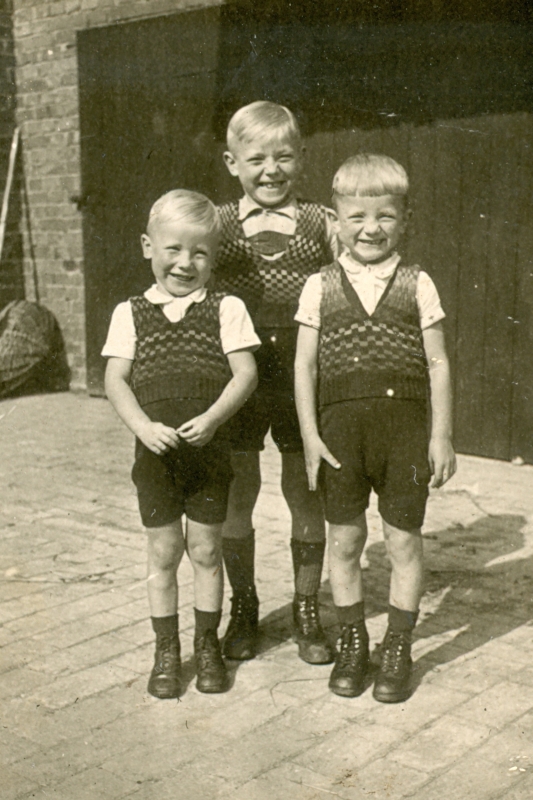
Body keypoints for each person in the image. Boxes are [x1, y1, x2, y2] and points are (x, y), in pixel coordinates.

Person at [294, 154, 456, 702]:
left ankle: (398, 646)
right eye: (357, 216)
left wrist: (440, 435)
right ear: (335, 221)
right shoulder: (319, 285)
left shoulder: (417, 283)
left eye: (385, 215)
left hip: (403, 433)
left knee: (403, 540)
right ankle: (353, 640)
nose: (371, 228)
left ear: (405, 219)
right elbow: (305, 366)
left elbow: (438, 363)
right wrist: (310, 435)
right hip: (339, 434)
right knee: (345, 540)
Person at [102, 190, 259, 698]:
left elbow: (245, 374)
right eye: (173, 249)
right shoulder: (129, 313)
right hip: (156, 458)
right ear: (148, 247)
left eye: (200, 253)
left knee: (207, 550)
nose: (185, 263)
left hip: (208, 455)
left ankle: (206, 642)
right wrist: (143, 427)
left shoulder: (226, 308)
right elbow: (115, 380)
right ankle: (166, 649)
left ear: (214, 258)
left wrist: (213, 419)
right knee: (164, 552)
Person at [215, 100, 338, 664]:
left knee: (304, 489)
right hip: (239, 372)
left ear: (301, 158)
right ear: (232, 163)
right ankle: (243, 605)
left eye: (284, 157)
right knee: (238, 492)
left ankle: (306, 608)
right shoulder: (216, 224)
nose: (271, 170)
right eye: (257, 159)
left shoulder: (321, 223)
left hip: (301, 373)